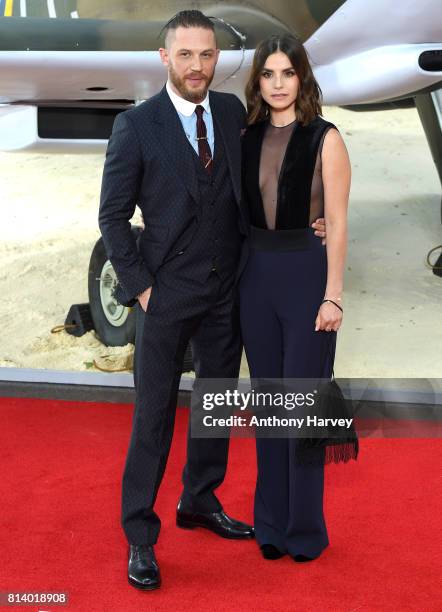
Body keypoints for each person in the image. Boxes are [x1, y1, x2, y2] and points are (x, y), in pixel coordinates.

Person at [99, 10, 327, 590]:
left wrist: (311, 221)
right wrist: (142, 288)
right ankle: (140, 537)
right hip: (165, 295)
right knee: (153, 419)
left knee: (217, 407)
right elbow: (112, 219)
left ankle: (199, 499)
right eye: (186, 55)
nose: (197, 66)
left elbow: (269, 175)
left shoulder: (229, 112)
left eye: (206, 55)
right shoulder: (136, 126)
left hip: (227, 291)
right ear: (164, 58)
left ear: (216, 60)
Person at [239, 34, 351, 562]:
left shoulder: (326, 138)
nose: (279, 84)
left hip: (307, 277)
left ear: (302, 78)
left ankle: (305, 531)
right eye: (269, 74)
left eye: (288, 73)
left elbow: (341, 223)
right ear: (258, 80)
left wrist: (334, 296)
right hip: (255, 278)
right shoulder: (247, 135)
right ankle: (271, 525)